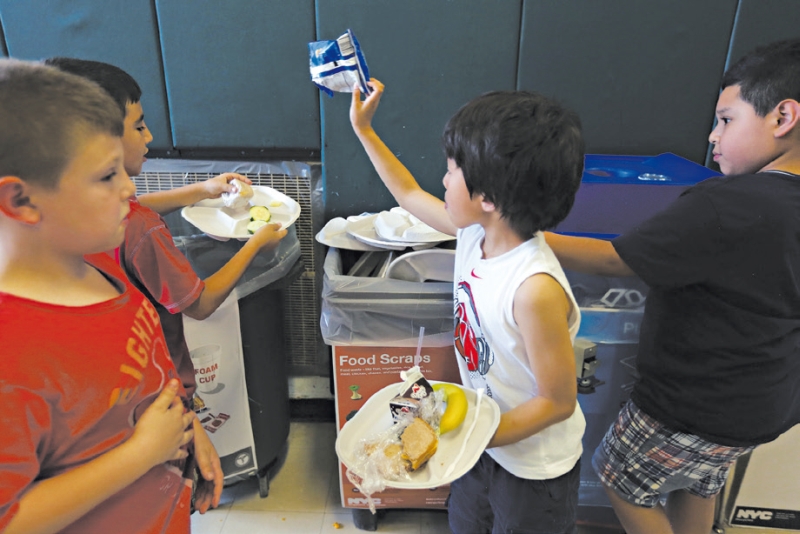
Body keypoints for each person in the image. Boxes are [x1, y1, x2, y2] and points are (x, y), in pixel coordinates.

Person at [544, 37, 800, 534]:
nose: (711, 135)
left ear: (782, 117)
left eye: (726, 119)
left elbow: (619, 260)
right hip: (767, 403)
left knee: (618, 474)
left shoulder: (727, 203)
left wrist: (526, 237)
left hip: (692, 405)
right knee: (698, 480)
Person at [44, 57, 289, 513]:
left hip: (124, 403)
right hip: (162, 401)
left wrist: (201, 190)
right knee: (173, 496)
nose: (150, 136)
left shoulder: (76, 214)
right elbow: (200, 302)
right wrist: (255, 243)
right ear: (101, 144)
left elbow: (133, 204)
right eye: (139, 126)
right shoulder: (139, 230)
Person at [350, 79, 587, 533]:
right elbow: (408, 195)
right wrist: (364, 130)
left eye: (452, 170)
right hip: (483, 444)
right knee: (464, 523)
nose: (443, 179)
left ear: (489, 198)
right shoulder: (474, 235)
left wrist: (469, 439)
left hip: (532, 469)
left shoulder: (533, 288)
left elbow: (556, 402)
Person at [0, 58, 196, 533]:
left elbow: (145, 379)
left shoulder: (93, 262)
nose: (129, 188)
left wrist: (187, 436)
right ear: (22, 202)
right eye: (107, 176)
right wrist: (143, 453)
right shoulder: (14, 357)